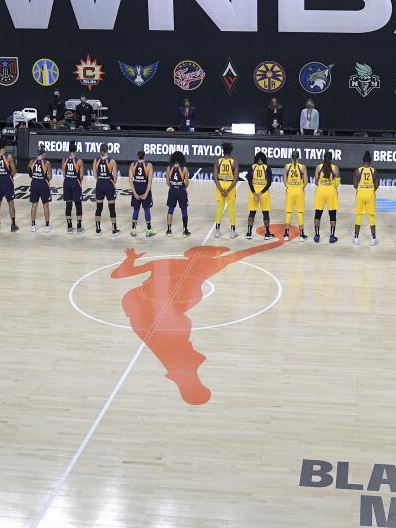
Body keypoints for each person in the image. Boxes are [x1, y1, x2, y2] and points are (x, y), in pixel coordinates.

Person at [110, 238, 285, 405]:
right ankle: (187, 383)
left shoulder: (165, 262)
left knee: (176, 353)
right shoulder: (210, 265)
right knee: (177, 352)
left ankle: (187, 383)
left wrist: (129, 260)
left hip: (143, 310)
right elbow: (245, 252)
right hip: (152, 313)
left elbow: (117, 274)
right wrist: (278, 242)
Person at [0, 140, 19, 232]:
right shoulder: (8, 157)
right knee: (10, 203)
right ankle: (13, 225)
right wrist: (10, 176)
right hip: (7, 180)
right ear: (4, 147)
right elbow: (14, 171)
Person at [312, 150, 340, 244]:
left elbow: (316, 181)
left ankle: (316, 235)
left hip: (321, 191)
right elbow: (337, 183)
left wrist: (322, 185)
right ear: (331, 158)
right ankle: (332, 236)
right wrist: (330, 186)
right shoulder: (335, 168)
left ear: (323, 157)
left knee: (318, 213)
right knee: (332, 214)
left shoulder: (318, 167)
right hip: (331, 191)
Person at [352, 151, 379, 246]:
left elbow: (355, 185)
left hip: (361, 193)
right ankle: (373, 238)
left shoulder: (358, 170)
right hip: (370, 193)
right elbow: (377, 185)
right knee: (371, 216)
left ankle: (356, 238)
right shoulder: (373, 170)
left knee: (359, 215)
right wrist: (371, 190)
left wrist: (361, 189)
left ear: (363, 161)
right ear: (370, 161)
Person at [213, 143, 239, 239]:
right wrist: (227, 190)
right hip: (230, 187)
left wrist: (221, 190)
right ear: (231, 151)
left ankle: (217, 231)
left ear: (223, 151)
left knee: (219, 209)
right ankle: (232, 232)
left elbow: (215, 177)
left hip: (220, 185)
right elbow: (235, 179)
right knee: (231, 209)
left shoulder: (218, 162)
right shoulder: (234, 163)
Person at [245, 151, 273, 240]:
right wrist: (261, 193)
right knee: (265, 213)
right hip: (264, 193)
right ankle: (267, 233)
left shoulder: (252, 167)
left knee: (252, 213)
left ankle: (249, 233)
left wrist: (254, 193)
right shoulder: (267, 168)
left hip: (253, 193)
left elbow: (249, 181)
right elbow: (269, 183)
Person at [93, 143, 119, 235]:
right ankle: (114, 229)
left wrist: (101, 179)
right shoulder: (112, 161)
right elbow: (115, 177)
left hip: (100, 183)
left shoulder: (95, 160)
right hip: (109, 183)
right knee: (111, 207)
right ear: (107, 150)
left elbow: (95, 175)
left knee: (98, 207)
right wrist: (111, 182)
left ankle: (98, 229)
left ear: (100, 150)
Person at [129, 151, 156, 238]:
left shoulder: (132, 165)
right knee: (147, 209)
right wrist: (146, 193)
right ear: (144, 156)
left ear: (138, 156)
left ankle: (133, 230)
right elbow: (150, 181)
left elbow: (130, 181)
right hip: (145, 188)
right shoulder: (149, 165)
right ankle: (149, 230)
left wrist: (134, 193)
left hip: (136, 188)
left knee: (136, 210)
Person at [283, 150, 308, 241]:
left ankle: (286, 234)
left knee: (288, 212)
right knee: (299, 212)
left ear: (291, 157)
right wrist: (301, 188)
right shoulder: (303, 167)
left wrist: (288, 187)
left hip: (290, 190)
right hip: (299, 190)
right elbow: (306, 181)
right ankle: (301, 235)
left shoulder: (287, 166)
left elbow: (284, 180)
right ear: (298, 157)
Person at [165, 150, 191, 237]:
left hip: (172, 190)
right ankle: (185, 231)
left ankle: (169, 231)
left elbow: (167, 182)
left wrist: (173, 186)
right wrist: (182, 186)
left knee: (170, 210)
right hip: (181, 190)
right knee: (184, 210)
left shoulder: (169, 168)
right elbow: (186, 184)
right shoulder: (184, 169)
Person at [61, 142, 85, 234]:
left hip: (67, 182)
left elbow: (63, 173)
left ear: (69, 150)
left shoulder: (64, 160)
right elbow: (81, 176)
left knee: (68, 204)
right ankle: (79, 227)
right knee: (78, 204)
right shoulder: (79, 161)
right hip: (75, 182)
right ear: (75, 150)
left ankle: (69, 227)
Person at [28, 149, 53, 233]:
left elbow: (30, 174)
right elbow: (50, 176)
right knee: (45, 205)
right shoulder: (47, 163)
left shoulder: (31, 161)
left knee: (34, 205)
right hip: (43, 184)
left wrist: (36, 177)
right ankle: (47, 226)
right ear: (43, 154)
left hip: (34, 183)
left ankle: (33, 225)